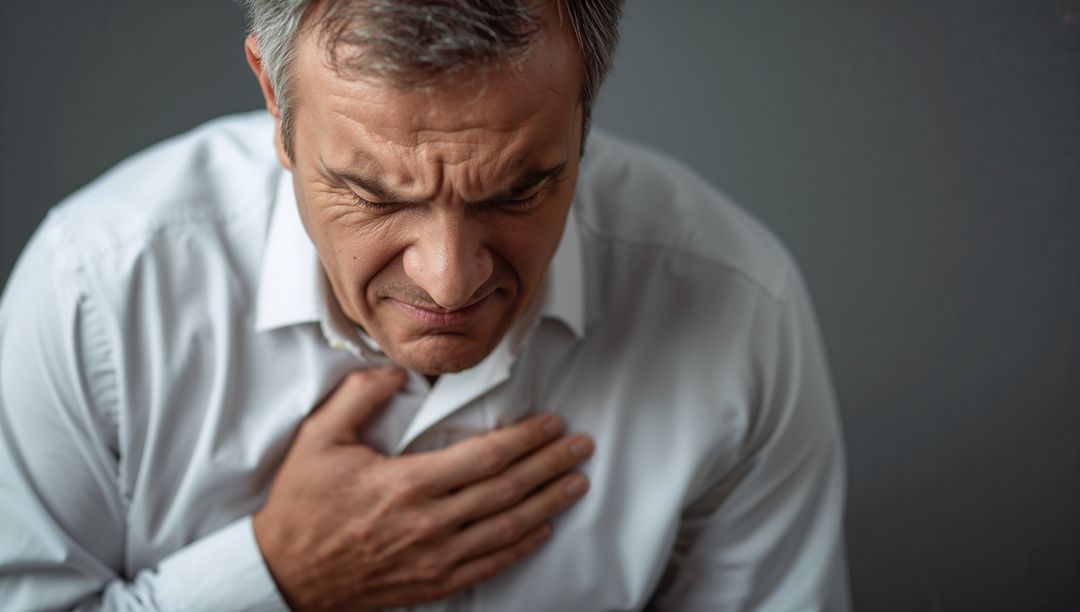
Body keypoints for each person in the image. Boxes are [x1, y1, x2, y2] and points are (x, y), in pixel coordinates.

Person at [0, 0, 851, 610]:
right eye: (372, 193)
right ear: (274, 94)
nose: (448, 283)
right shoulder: (99, 292)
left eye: (521, 189)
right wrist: (274, 578)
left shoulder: (738, 304)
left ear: (588, 103)